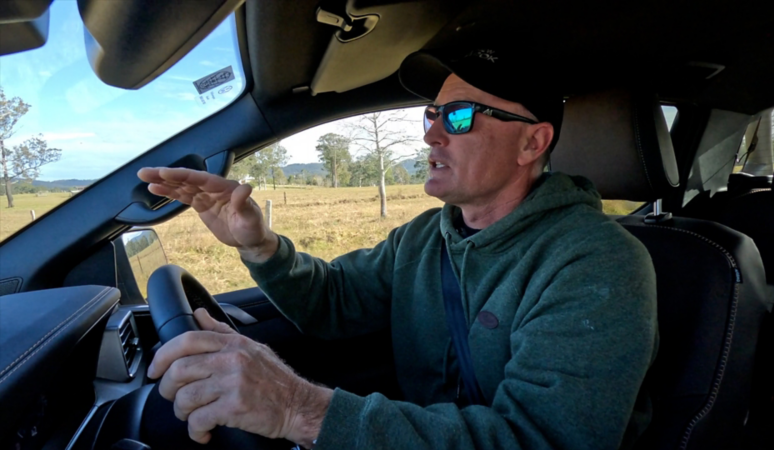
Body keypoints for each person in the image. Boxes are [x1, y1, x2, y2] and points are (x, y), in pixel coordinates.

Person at [139, 47, 658, 449]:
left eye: (458, 117)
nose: (432, 134)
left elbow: (541, 441)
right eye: (432, 115)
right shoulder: (425, 236)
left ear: (532, 143)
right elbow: (335, 302)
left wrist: (298, 409)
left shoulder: (597, 263)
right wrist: (260, 247)